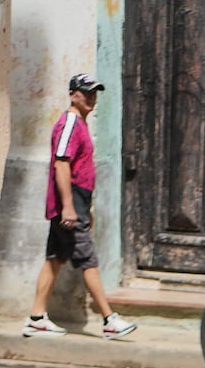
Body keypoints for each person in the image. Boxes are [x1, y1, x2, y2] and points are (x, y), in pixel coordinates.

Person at [23, 71, 136, 339]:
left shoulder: (80, 124)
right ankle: (109, 319)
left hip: (77, 200)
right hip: (70, 200)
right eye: (86, 93)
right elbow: (62, 163)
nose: (91, 98)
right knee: (88, 259)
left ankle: (37, 318)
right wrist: (69, 207)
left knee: (55, 259)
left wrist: (86, 207)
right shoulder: (70, 123)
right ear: (73, 94)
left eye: (94, 93)